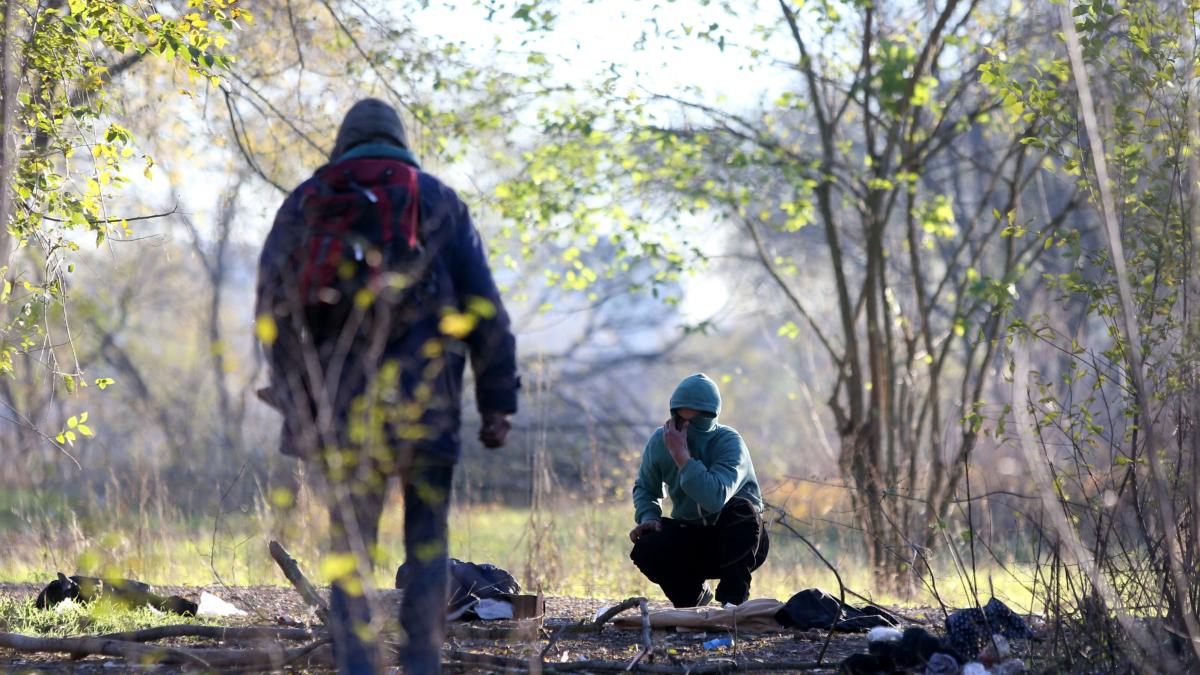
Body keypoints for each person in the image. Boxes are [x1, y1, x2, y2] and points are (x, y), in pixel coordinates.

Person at [255, 98, 519, 674]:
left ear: (343, 143)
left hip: (341, 407)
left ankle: (357, 666)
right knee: (426, 545)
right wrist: (497, 402)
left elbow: (272, 307)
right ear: (401, 141)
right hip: (428, 404)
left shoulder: (308, 200)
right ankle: (422, 666)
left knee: (349, 548)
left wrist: (295, 398)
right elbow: (485, 307)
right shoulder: (438, 200)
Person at [629, 373, 768, 608]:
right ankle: (691, 599)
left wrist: (681, 456)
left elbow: (714, 498)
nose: (686, 427)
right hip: (691, 535)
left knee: (743, 510)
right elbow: (645, 488)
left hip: (740, 542)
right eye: (681, 419)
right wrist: (648, 516)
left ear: (712, 416)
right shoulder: (660, 441)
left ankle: (732, 605)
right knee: (647, 546)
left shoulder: (729, 442)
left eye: (698, 420)